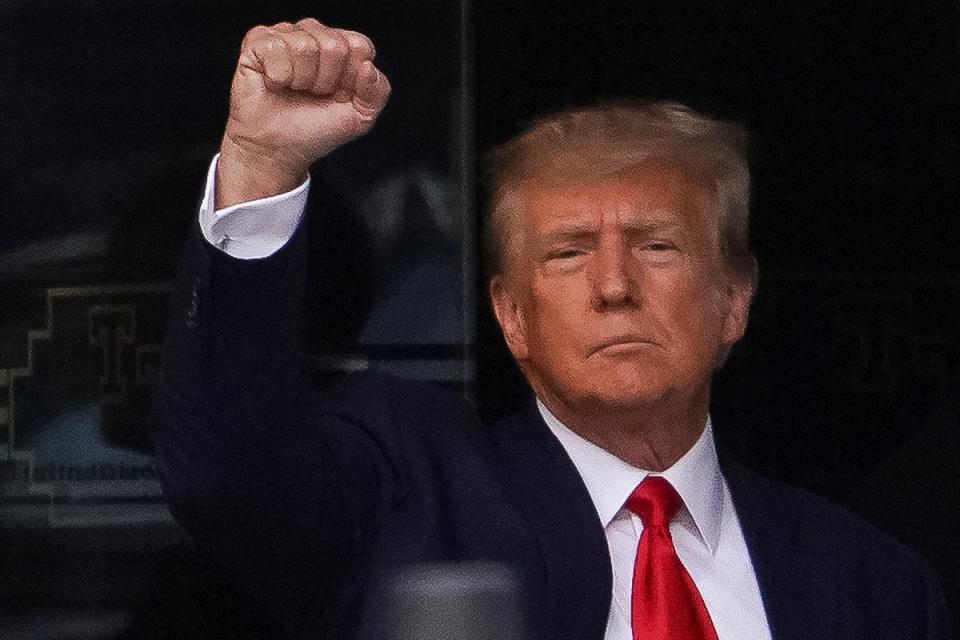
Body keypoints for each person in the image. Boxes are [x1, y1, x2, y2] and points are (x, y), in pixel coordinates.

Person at [151, 17, 953, 640]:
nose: (614, 286)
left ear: (734, 300)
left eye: (658, 246)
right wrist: (261, 164)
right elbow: (226, 470)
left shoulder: (870, 583)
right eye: (568, 254)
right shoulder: (406, 493)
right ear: (510, 316)